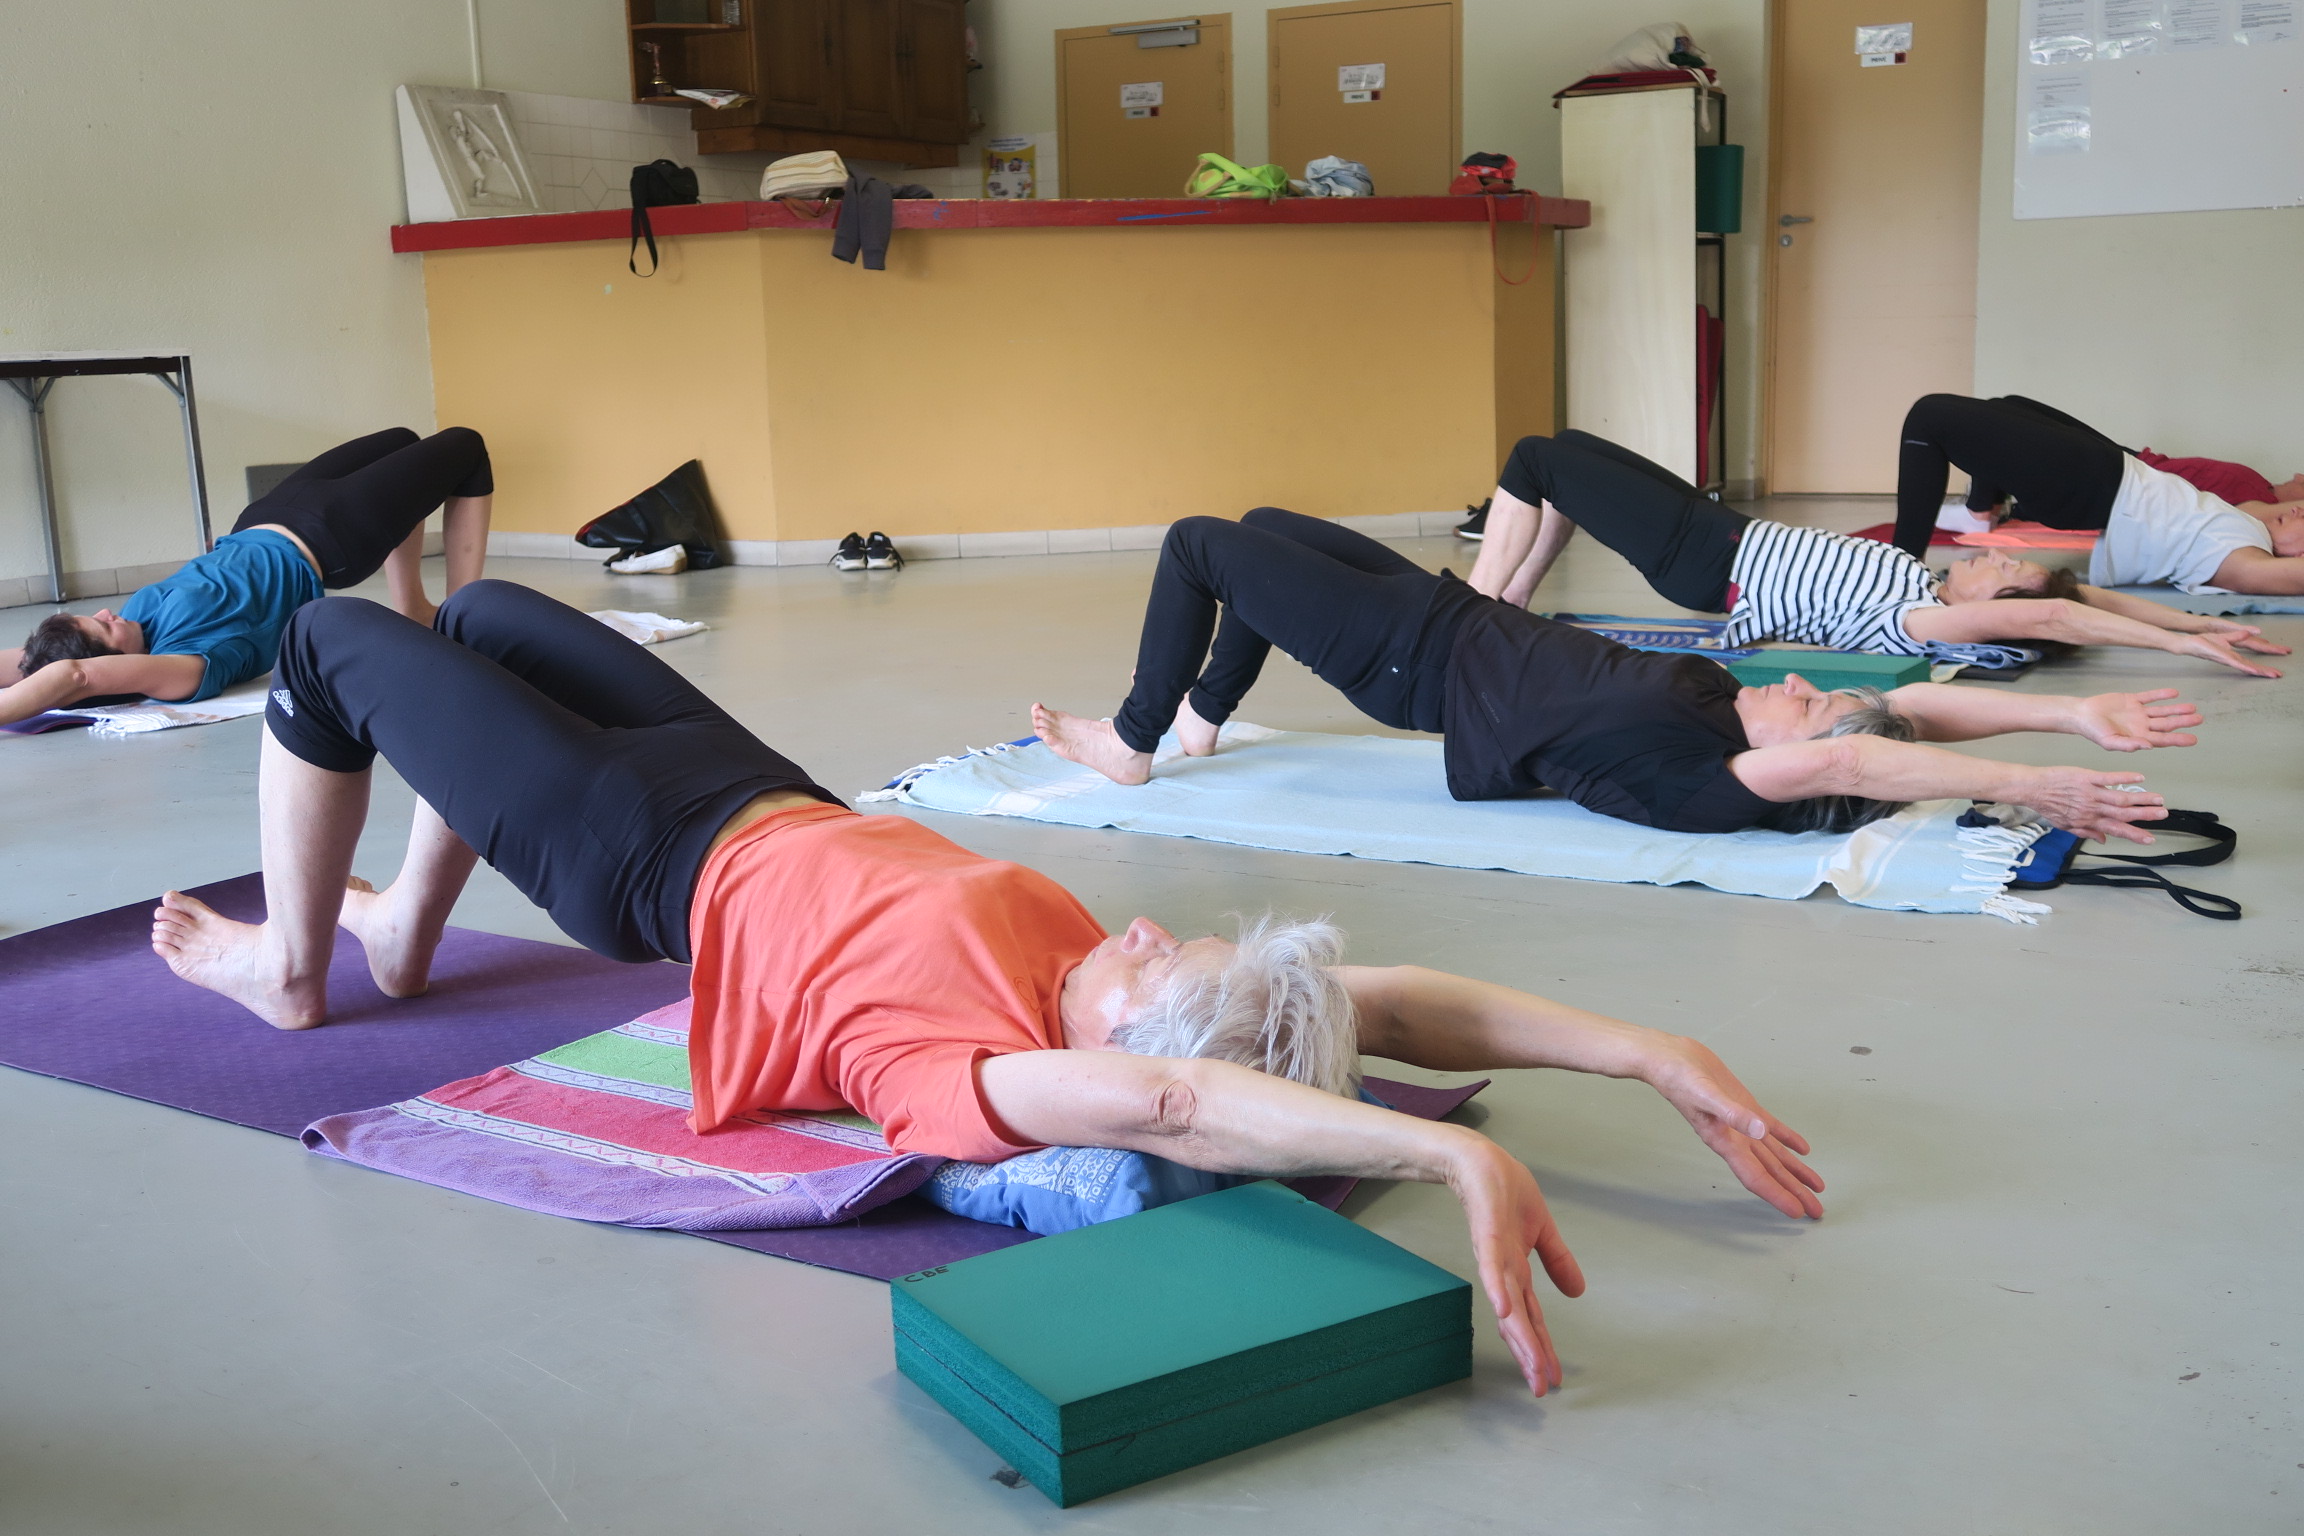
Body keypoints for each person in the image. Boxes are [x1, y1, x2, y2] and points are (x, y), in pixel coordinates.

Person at [151, 580, 1824, 1400]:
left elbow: (1176, 1098)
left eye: (1161, 963)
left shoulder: (971, 1071)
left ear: (1130, 1040)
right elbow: (1379, 1006)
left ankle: (295, 970)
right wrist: (1641, 1048)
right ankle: (399, 930)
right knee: (489, 613)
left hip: (636, 854)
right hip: (759, 786)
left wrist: (1446, 1150)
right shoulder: (1092, 975)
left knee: (326, 642)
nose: (1147, 931)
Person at [1031, 507, 2195, 841]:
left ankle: (1135, 743)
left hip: (1411, 662)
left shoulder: (1698, 780)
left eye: (1813, 708)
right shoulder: (1722, 704)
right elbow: (1914, 710)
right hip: (1447, 615)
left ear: (1795, 763)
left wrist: (2034, 787)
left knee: (1198, 544)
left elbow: (1854, 759)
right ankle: (1202, 718)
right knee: (1262, 527)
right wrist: (2073, 716)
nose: (1803, 686)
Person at [1463, 432, 2287, 678]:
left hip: (1707, 560)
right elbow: (2085, 602)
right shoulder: (1923, 580)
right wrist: (2194, 625)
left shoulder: (1919, 621)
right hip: (1722, 529)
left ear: (1992, 616)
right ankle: (1509, 605)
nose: (2001, 558)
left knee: (1536, 460)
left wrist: (2181, 650)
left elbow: (2061, 615)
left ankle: (1470, 615)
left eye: (2009, 574)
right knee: (1566, 449)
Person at [0, 427, 493, 725]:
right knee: (466, 447)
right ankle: (463, 619)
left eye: (97, 616)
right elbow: (75, 675)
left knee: (402, 441)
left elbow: (31, 662)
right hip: (330, 537)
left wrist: (44, 657)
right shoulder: (182, 667)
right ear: (115, 670)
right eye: (103, 629)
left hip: (264, 516)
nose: (109, 613)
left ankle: (413, 607)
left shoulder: (136, 624)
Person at [1892, 394, 2304, 595]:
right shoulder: (2254, 526)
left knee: (1930, 416)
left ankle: (1899, 576)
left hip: (2094, 487)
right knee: (2006, 404)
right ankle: (1979, 511)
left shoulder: (2244, 560)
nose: (2300, 511)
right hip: (2113, 472)